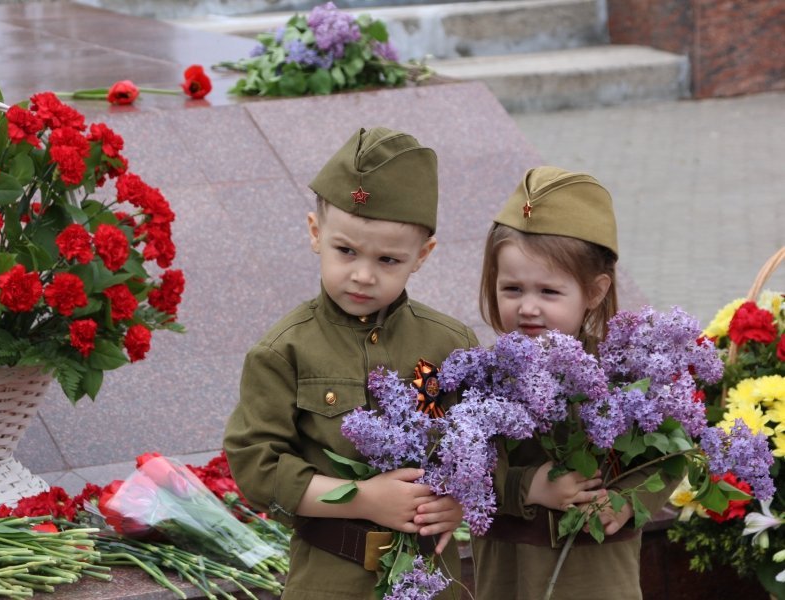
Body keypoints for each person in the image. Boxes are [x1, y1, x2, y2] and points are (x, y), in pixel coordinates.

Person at [224, 127, 478, 599]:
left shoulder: (451, 344)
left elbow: (484, 449)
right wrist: (364, 499)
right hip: (329, 578)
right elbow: (257, 470)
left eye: (388, 259)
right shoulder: (284, 350)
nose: (363, 275)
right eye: (346, 251)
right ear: (315, 234)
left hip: (428, 579)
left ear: (421, 257)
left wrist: (460, 503)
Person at [473, 166, 677, 599]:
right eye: (511, 289)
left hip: (596, 577)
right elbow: (460, 470)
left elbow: (674, 451)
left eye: (548, 292)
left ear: (596, 291)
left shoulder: (623, 375)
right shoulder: (482, 381)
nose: (528, 307)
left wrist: (627, 498)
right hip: (511, 579)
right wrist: (526, 487)